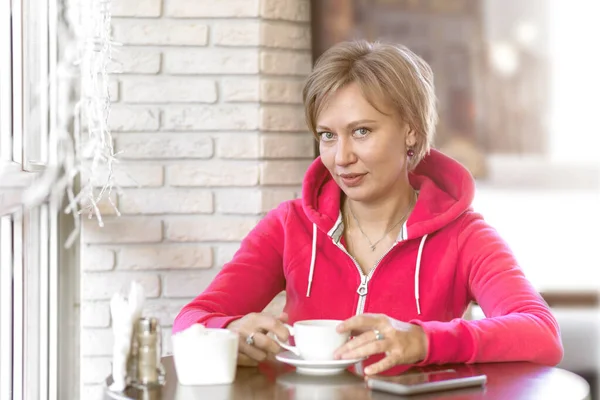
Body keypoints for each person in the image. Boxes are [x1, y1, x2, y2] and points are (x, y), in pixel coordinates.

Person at [173, 40, 563, 376]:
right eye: (328, 135)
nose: (341, 157)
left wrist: (422, 340)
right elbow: (192, 319)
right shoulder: (287, 226)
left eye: (362, 131)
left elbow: (541, 332)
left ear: (410, 130)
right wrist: (230, 330)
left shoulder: (465, 236)